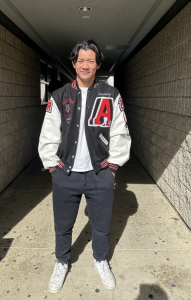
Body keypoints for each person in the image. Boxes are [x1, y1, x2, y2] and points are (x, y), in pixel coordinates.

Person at [38, 40, 131, 293]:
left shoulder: (111, 95)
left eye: (91, 60)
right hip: (65, 173)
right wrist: (52, 167)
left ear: (98, 64)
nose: (85, 65)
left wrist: (112, 167)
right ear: (74, 63)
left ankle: (101, 260)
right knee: (63, 225)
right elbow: (48, 134)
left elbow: (120, 132)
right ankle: (61, 262)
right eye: (81, 60)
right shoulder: (59, 96)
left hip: (100, 173)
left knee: (100, 225)